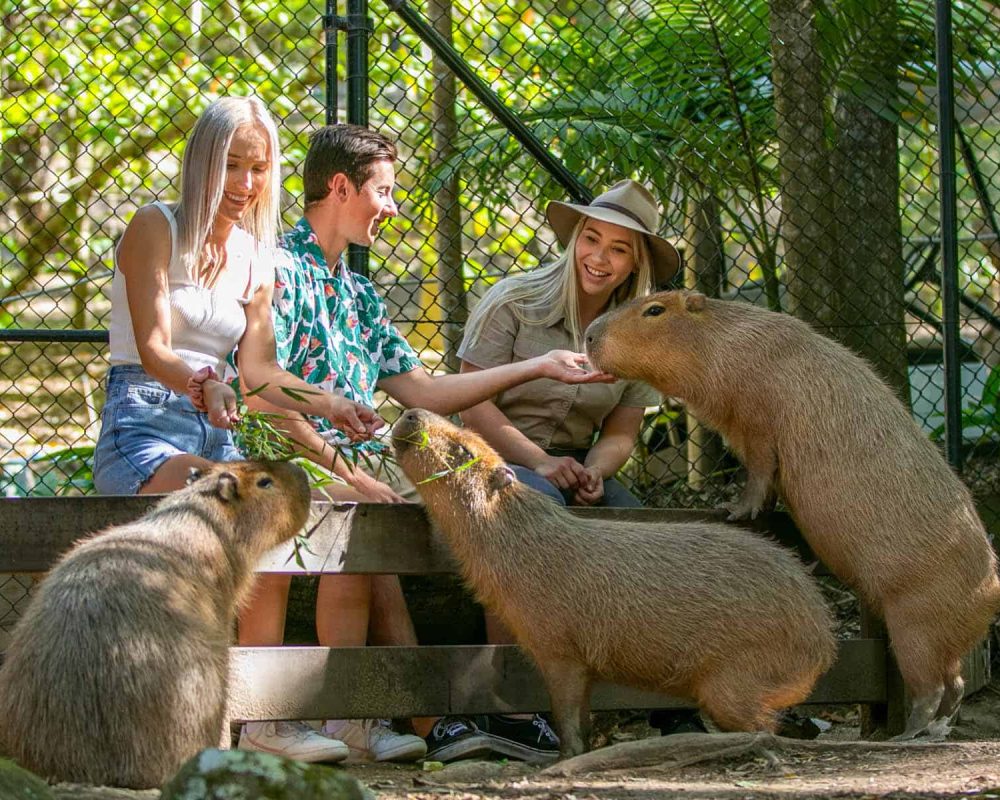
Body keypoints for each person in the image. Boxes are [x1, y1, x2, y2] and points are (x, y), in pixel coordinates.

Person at [235, 123, 615, 764]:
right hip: (295, 449)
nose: (391, 207)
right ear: (339, 185)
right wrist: (349, 471)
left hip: (366, 450)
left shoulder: (355, 290)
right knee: (363, 513)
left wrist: (537, 366)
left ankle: (502, 707)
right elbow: (263, 400)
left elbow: (421, 392)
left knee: (502, 495)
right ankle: (354, 713)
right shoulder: (276, 268)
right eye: (383, 191)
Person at [92, 96, 380, 764]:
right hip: (143, 421)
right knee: (228, 505)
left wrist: (330, 402)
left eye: (257, 168)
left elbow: (257, 372)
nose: (245, 185)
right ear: (202, 163)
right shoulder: (153, 227)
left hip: (218, 430)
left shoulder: (257, 256)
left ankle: (263, 726)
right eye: (231, 165)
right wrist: (203, 382)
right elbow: (157, 346)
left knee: (273, 505)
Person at [457, 179, 706, 739]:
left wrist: (597, 469)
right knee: (529, 509)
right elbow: (472, 406)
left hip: (575, 465)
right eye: (592, 240)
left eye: (618, 249)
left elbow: (622, 429)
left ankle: (674, 703)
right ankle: (511, 706)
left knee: (649, 529)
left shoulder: (644, 331)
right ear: (575, 242)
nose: (600, 257)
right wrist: (542, 462)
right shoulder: (514, 300)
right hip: (491, 458)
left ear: (633, 262)